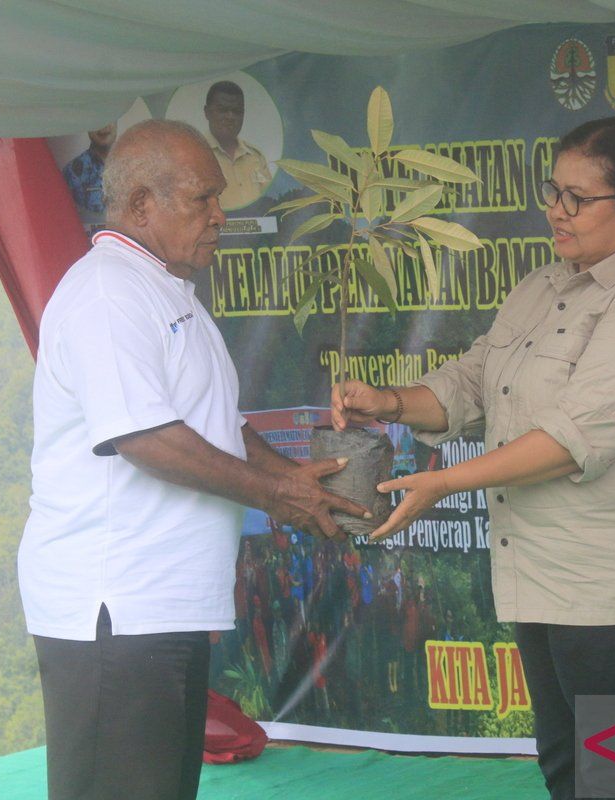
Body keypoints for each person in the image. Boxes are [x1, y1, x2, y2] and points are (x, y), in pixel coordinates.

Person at [332, 117, 615, 799]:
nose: (555, 211)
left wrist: (444, 482)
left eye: (577, 197)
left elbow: (572, 440)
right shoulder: (544, 284)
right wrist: (386, 401)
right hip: (540, 575)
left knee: (614, 780)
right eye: (551, 191)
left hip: (614, 591)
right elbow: (473, 384)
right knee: (565, 768)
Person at [19, 119, 369, 800]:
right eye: (202, 200)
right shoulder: (107, 294)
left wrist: (295, 483)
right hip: (113, 611)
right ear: (142, 205)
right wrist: (275, 497)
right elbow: (145, 438)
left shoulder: (164, 288)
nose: (220, 215)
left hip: (159, 609)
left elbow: (219, 429)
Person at [204, 80, 272, 210]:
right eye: (222, 110)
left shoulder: (255, 156)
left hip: (256, 228)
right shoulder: (196, 154)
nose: (230, 117)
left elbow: (269, 200)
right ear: (207, 112)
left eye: (237, 111)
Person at [62, 122, 116, 215]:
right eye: (97, 120)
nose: (103, 127)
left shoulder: (134, 168)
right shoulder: (71, 171)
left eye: (108, 119)